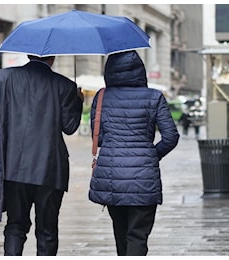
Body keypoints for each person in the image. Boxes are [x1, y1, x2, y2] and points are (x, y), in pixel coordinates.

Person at [0, 55, 84, 256]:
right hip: (50, 169)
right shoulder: (64, 85)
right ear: (52, 58)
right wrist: (77, 102)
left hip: (13, 166)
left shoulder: (3, 78)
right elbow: (70, 127)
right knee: (47, 230)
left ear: (28, 55)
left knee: (15, 226)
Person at [89, 50, 180, 256]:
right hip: (143, 179)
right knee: (138, 236)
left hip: (112, 178)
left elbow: (99, 138)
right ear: (141, 71)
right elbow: (171, 137)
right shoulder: (154, 97)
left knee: (120, 233)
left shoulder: (102, 97)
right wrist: (150, 156)